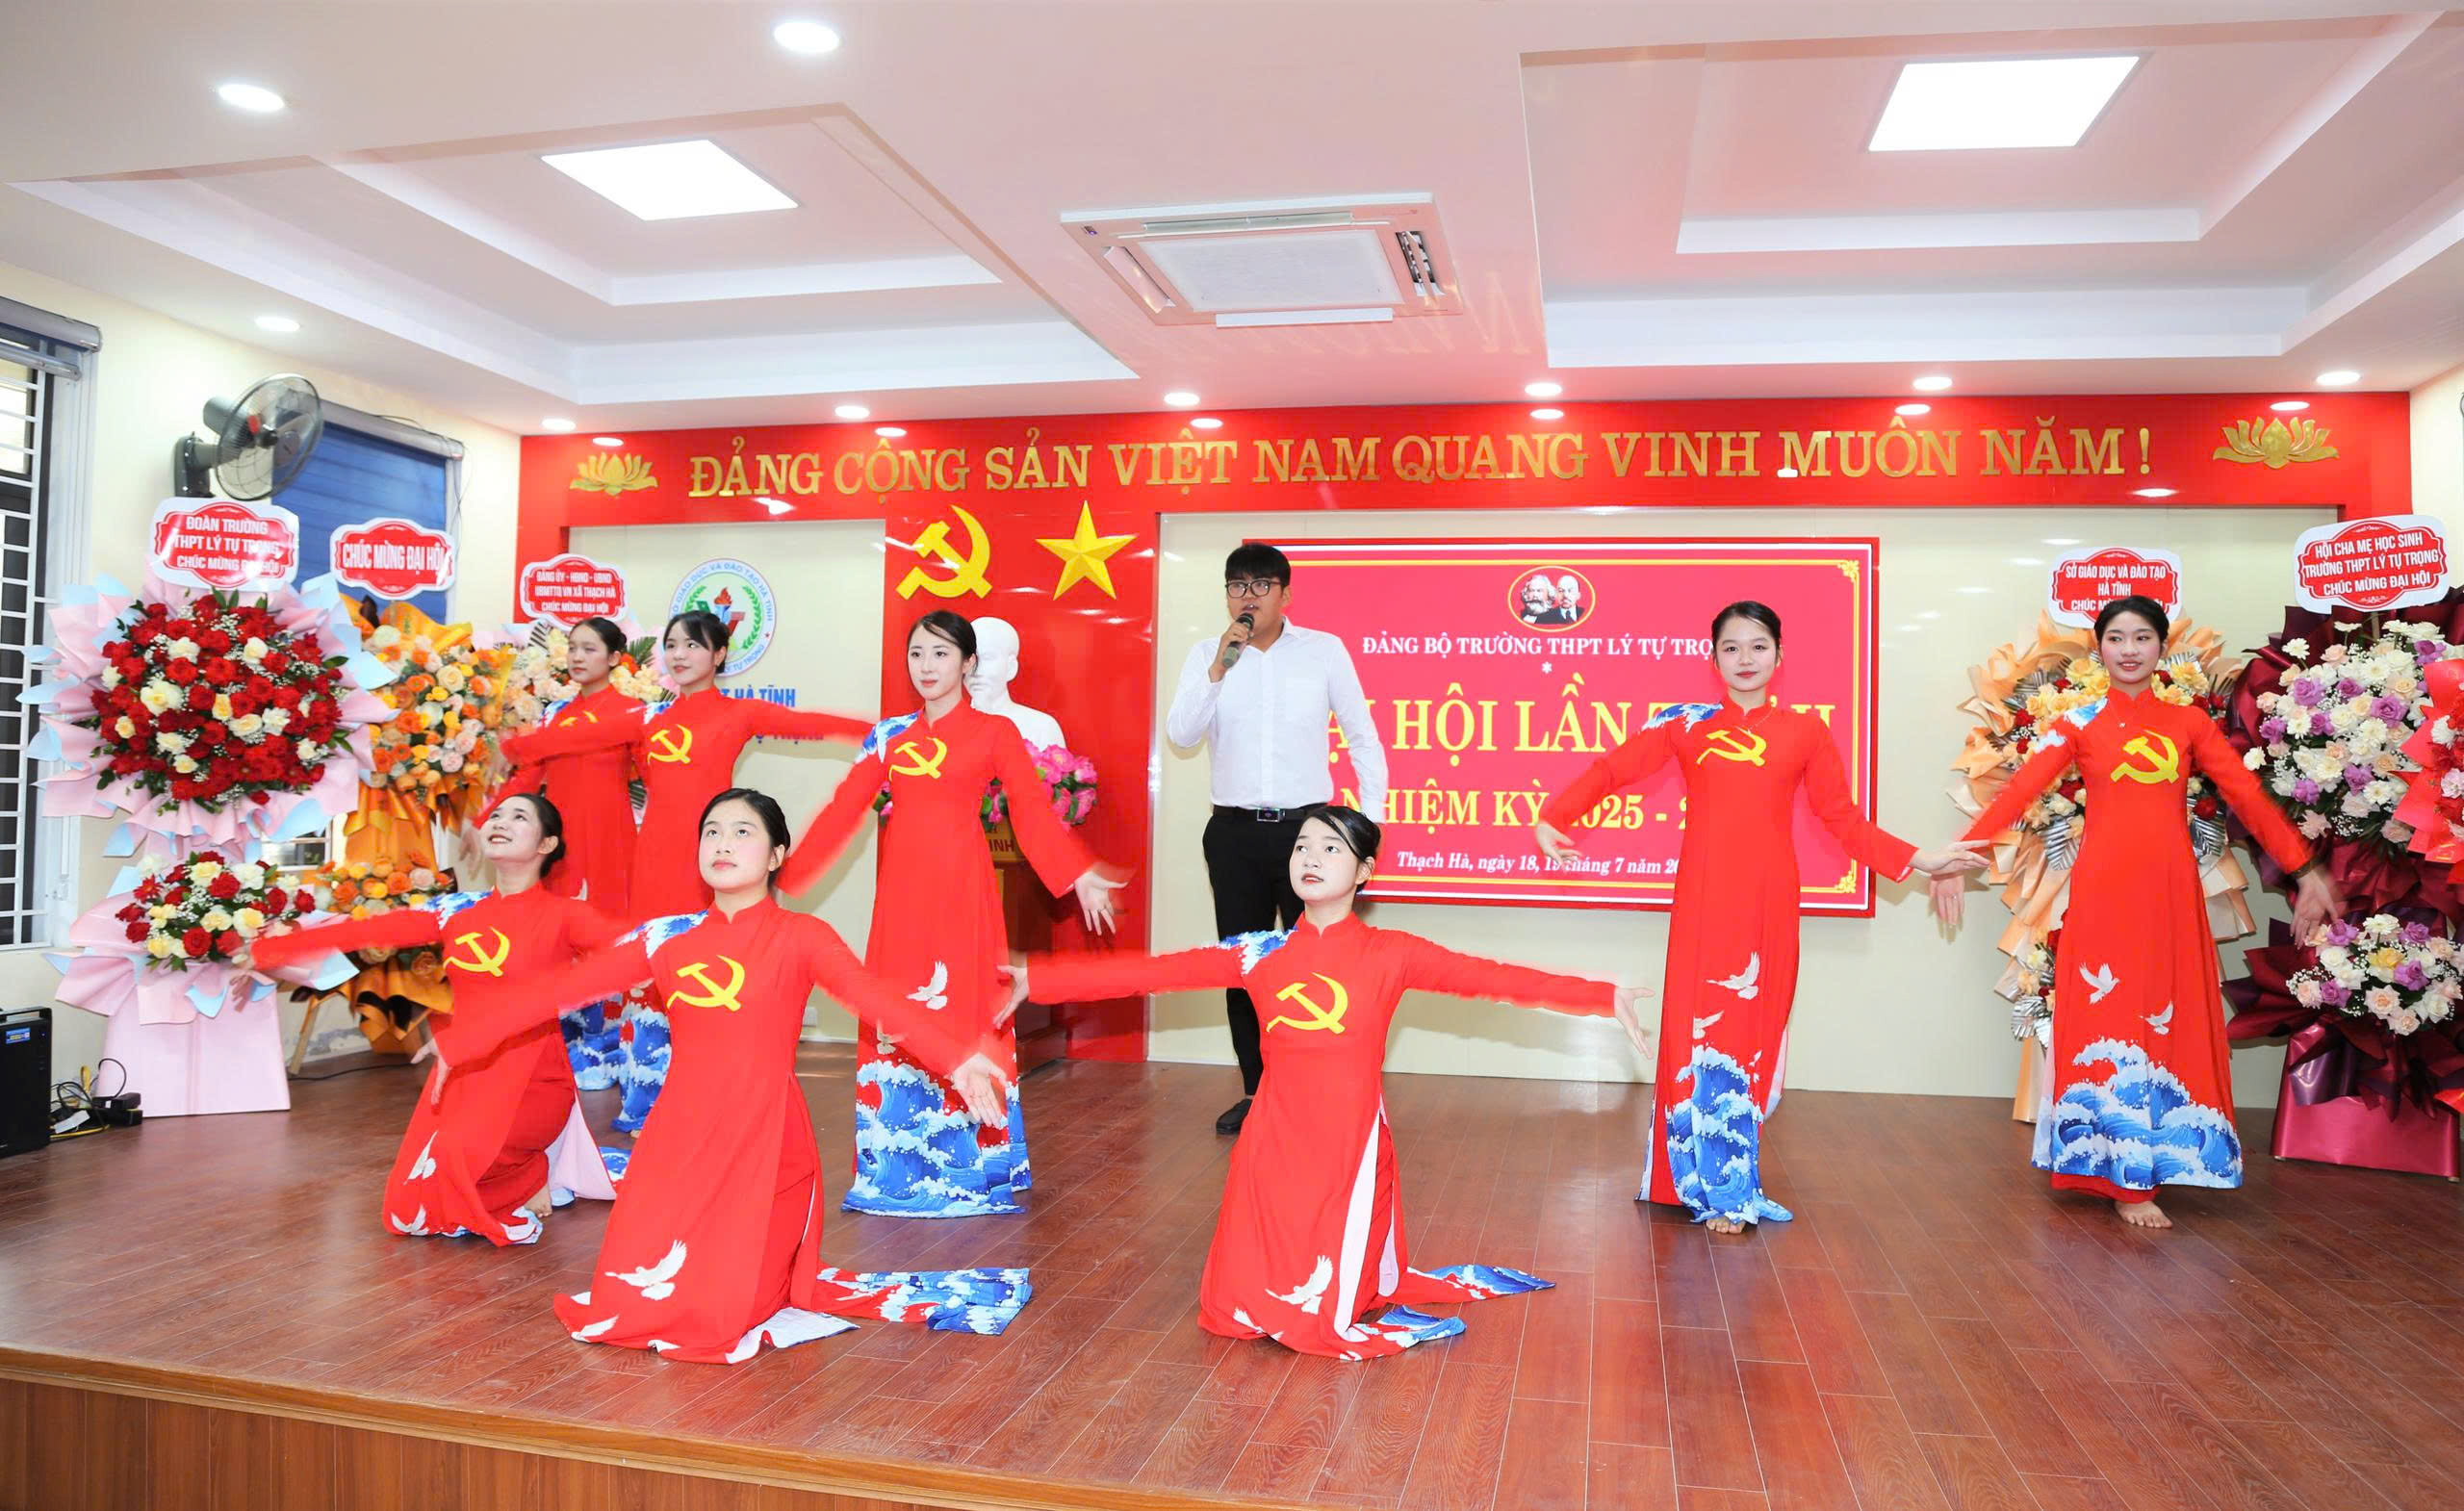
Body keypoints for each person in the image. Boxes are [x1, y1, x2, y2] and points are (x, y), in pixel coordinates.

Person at [1001, 805, 1652, 1360]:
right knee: (1252, 1260)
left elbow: (1496, 978)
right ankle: (1267, 1296)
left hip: (1348, 1127)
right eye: (1302, 847)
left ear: (1364, 871)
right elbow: (1153, 972)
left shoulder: (1392, 952)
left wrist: (1601, 995)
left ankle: (1331, 1295)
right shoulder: (1259, 952)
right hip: (1274, 1121)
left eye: (1331, 848)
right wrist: (1043, 979)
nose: (1310, 857)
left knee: (1328, 1242)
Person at [441, 788, 1033, 1363]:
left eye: (742, 832)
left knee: (716, 1311)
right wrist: (461, 1043)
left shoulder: (801, 935)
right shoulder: (666, 937)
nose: (722, 843)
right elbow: (559, 991)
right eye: (712, 832)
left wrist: (956, 1058)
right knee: (630, 1303)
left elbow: (878, 1001)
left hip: (765, 1135)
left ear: (775, 856)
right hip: (679, 1133)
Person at [1534, 600, 1986, 1233]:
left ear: (1779, 654)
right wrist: (1555, 814)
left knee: (1749, 1034)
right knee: (1694, 1033)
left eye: (1758, 646)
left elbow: (1842, 820)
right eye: (1731, 647)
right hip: (1702, 900)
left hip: (1769, 902)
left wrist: (1921, 859)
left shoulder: (1805, 732)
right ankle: (1681, 1181)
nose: (1744, 659)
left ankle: (1728, 1184)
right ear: (1712, 657)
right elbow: (1613, 769)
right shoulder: (1684, 725)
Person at [1931, 595, 2340, 1230]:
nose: (2129, 649)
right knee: (2110, 1017)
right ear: (2099, 648)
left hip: (2170, 896)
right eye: (2116, 637)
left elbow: (2249, 799)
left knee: (2167, 1015)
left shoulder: (2189, 723)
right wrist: (1962, 856)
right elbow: (2019, 791)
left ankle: (2161, 1155)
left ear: (2160, 647)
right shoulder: (2079, 723)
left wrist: (2307, 870)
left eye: (2142, 637)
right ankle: (2121, 1173)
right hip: (2103, 895)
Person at [779, 611, 1124, 1217]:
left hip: (965, 897)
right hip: (901, 900)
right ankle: (894, 1168)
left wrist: (1078, 875)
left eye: (940, 654)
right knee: (895, 1005)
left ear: (968, 663)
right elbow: (842, 810)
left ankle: (975, 1164)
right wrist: (781, 876)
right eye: (917, 654)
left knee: (964, 1005)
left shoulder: (994, 732)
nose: (927, 666)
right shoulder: (890, 736)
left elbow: (1031, 814)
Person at [498, 609, 871, 1133]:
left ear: (718, 654)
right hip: (651, 863)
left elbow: (808, 724)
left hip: (709, 864)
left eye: (693, 645)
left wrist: (878, 733)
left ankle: (708, 1100)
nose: (679, 654)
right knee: (648, 973)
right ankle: (646, 1102)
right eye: (672, 644)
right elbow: (573, 741)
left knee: (707, 976)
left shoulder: (738, 713)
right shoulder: (649, 717)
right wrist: (511, 749)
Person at [250, 794, 624, 1245]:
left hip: (533, 1074)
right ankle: (524, 1173)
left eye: (519, 817)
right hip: (463, 1073)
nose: (500, 822)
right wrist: (271, 948)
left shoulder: (568, 915)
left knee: (462, 1166)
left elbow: (639, 950)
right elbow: (365, 932)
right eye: (496, 815)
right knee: (408, 1208)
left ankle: (529, 1172)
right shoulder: (457, 911)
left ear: (547, 844)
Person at [1165, 542, 1388, 1136]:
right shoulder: (1207, 655)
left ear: (1285, 595)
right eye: (1238, 585)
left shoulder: (1323, 651)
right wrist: (1218, 669)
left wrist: (1369, 827)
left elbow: (1363, 736)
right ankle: (1257, 1091)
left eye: (1261, 585)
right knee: (1245, 965)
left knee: (1318, 964)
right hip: (1233, 832)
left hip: (1307, 832)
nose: (1249, 596)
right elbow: (1181, 735)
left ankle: (1319, 1089)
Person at [491, 615, 642, 1089]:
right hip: (558, 845)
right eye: (573, 648)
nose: (577, 657)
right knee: (554, 942)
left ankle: (607, 1050)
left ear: (615, 658)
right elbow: (528, 777)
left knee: (606, 939)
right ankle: (559, 1050)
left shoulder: (633, 713)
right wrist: (492, 821)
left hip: (611, 841)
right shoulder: (555, 713)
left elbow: (658, 778)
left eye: (589, 649)